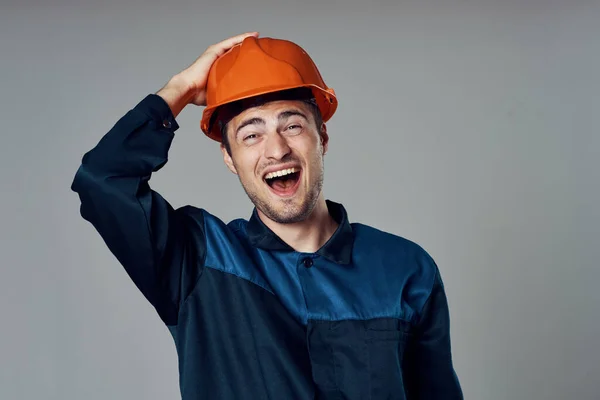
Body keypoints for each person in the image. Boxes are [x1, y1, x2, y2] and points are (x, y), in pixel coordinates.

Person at [71, 32, 463, 400]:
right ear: (229, 158)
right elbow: (102, 180)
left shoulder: (405, 267)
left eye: (292, 125)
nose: (276, 150)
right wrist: (181, 88)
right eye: (251, 135)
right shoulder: (196, 260)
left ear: (322, 138)